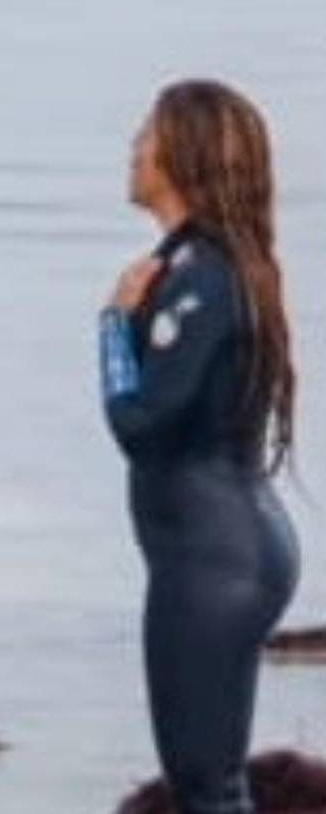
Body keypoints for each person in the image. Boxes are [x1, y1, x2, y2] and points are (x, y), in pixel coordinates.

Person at [100, 80, 300, 813]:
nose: (134, 146)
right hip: (220, 549)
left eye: (147, 132)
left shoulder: (206, 280)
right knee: (206, 786)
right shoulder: (198, 267)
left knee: (206, 790)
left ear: (181, 153)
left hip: (214, 560)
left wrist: (112, 331)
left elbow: (141, 426)